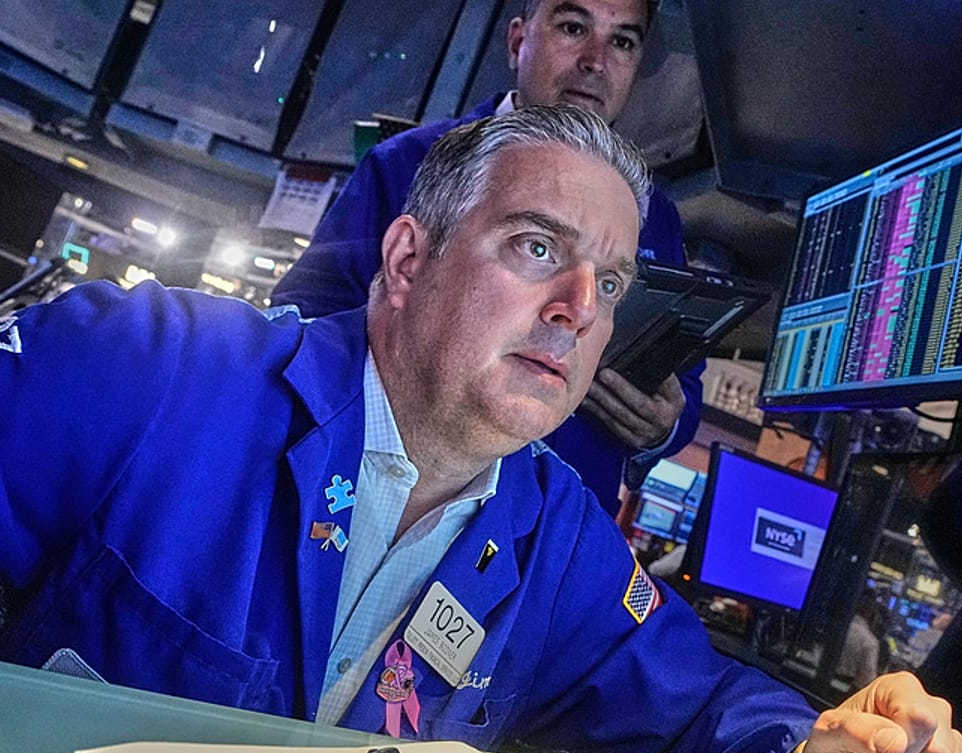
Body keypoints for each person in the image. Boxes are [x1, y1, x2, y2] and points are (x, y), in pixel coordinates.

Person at [0, 106, 962, 753]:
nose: (579, 314)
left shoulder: (560, 537)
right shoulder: (157, 367)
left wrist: (816, 749)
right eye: (538, 248)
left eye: (611, 281)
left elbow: (697, 699)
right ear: (406, 260)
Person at [272, 0, 699, 518]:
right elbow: (307, 318)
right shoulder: (407, 162)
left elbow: (685, 377)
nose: (595, 60)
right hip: (379, 497)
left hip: (551, 529)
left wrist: (666, 427)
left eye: (622, 41)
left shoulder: (654, 216)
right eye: (572, 27)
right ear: (518, 39)